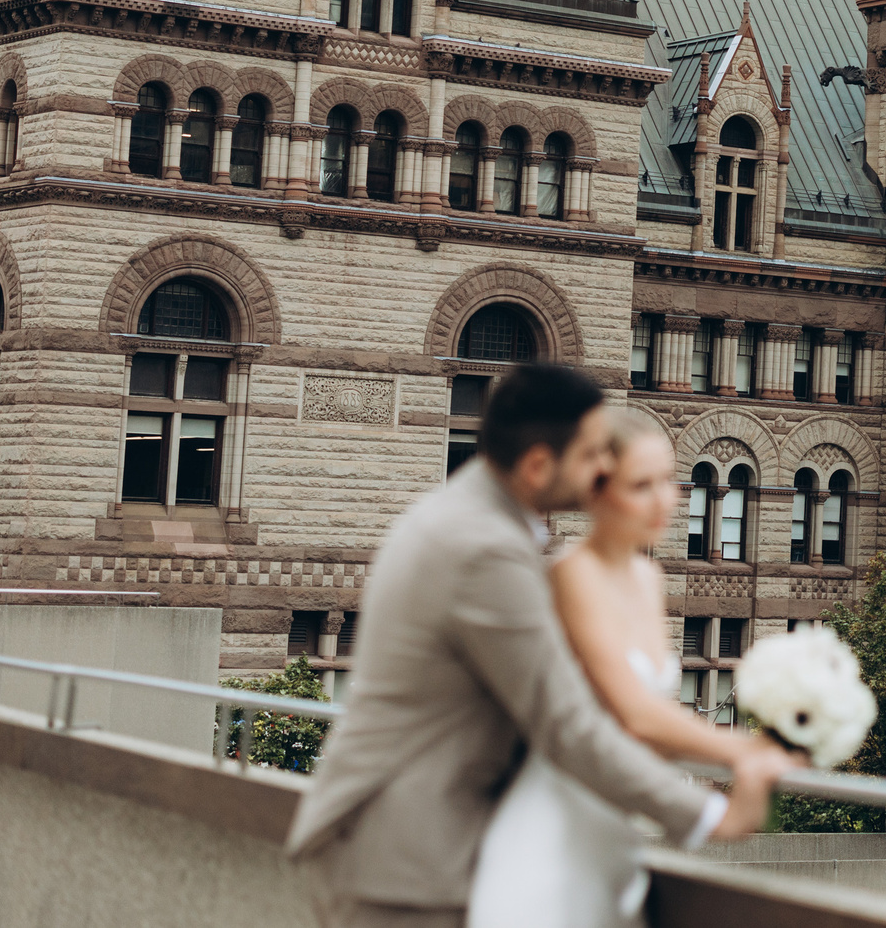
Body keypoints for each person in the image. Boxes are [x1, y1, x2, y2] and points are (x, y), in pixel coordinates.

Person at [286, 364, 789, 928]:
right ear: (538, 466)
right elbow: (564, 723)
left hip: (402, 840)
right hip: (404, 855)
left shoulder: (463, 514)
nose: (604, 466)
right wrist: (708, 815)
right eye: (593, 454)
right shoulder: (484, 550)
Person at [471, 408, 794, 926]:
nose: (664, 499)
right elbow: (634, 712)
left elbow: (655, 730)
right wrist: (749, 750)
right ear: (596, 491)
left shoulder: (649, 577)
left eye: (668, 479)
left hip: (613, 831)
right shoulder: (570, 575)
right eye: (641, 484)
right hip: (551, 824)